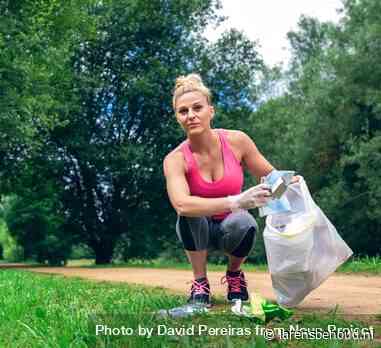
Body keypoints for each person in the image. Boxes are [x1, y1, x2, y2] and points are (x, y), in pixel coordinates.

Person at [163, 73, 276, 307]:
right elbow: (182, 204)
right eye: (183, 111)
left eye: (197, 108)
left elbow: (272, 178)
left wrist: (293, 183)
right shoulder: (174, 159)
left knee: (246, 222)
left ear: (210, 111)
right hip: (197, 231)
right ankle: (200, 283)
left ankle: (234, 275)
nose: (191, 115)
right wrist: (236, 201)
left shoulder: (237, 141)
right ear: (177, 118)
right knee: (188, 213)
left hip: (230, 230)